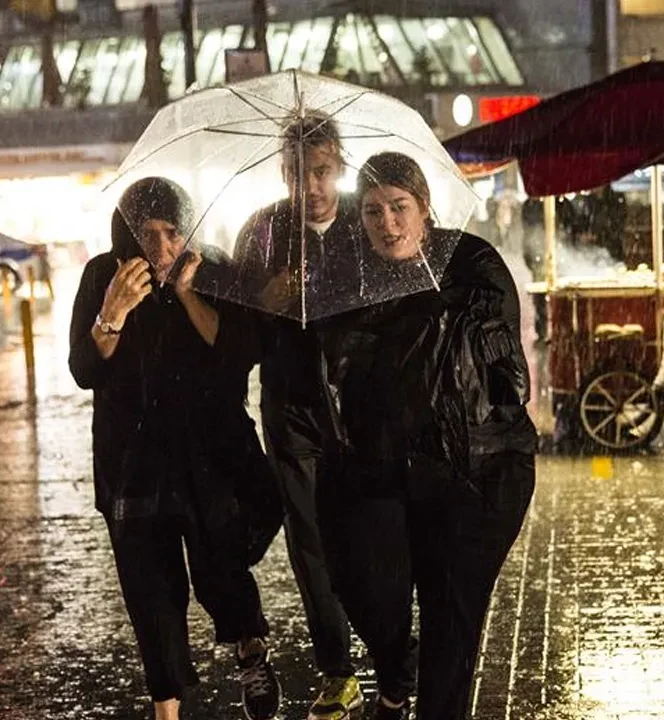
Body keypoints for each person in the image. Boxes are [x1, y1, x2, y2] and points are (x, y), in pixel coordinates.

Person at [316, 152, 537, 720]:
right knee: (371, 597)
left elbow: (496, 369)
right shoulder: (348, 276)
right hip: (384, 473)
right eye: (371, 212)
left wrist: (422, 313)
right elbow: (336, 364)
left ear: (423, 206)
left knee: (450, 621)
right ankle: (395, 670)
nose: (387, 225)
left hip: (477, 474)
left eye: (399, 207)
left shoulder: (468, 261)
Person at [69, 178, 283, 720]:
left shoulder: (212, 272)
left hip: (208, 460)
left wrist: (188, 294)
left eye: (172, 232)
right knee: (151, 595)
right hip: (133, 468)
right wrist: (111, 314)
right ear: (128, 236)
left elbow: (240, 353)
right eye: (148, 234)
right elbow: (84, 369)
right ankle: (167, 708)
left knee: (222, 571)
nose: (161, 248)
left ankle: (249, 647)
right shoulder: (103, 276)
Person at [232, 111, 367, 720]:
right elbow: (238, 333)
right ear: (282, 171)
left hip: (361, 408)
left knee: (372, 536)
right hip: (290, 409)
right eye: (297, 172)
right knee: (309, 544)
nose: (310, 186)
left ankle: (391, 643)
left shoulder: (367, 223)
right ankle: (338, 670)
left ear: (338, 166)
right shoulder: (262, 232)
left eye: (320, 171)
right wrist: (269, 303)